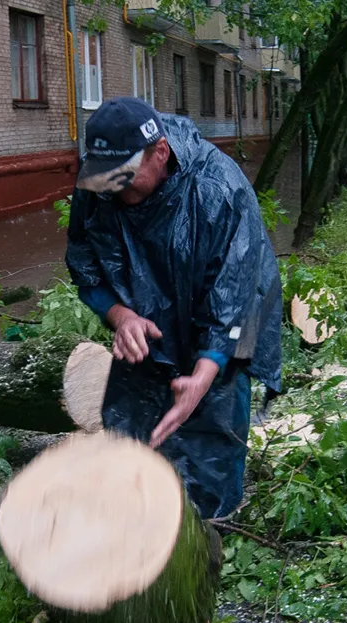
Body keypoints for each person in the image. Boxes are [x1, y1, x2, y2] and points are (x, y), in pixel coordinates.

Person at [66, 97, 282, 519]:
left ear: (160, 152)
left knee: (211, 437)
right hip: (147, 324)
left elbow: (234, 299)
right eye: (107, 179)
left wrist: (204, 373)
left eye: (126, 178)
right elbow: (83, 263)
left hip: (231, 317)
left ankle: (213, 529)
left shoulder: (219, 189)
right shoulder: (100, 179)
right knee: (131, 433)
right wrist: (121, 316)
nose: (116, 191)